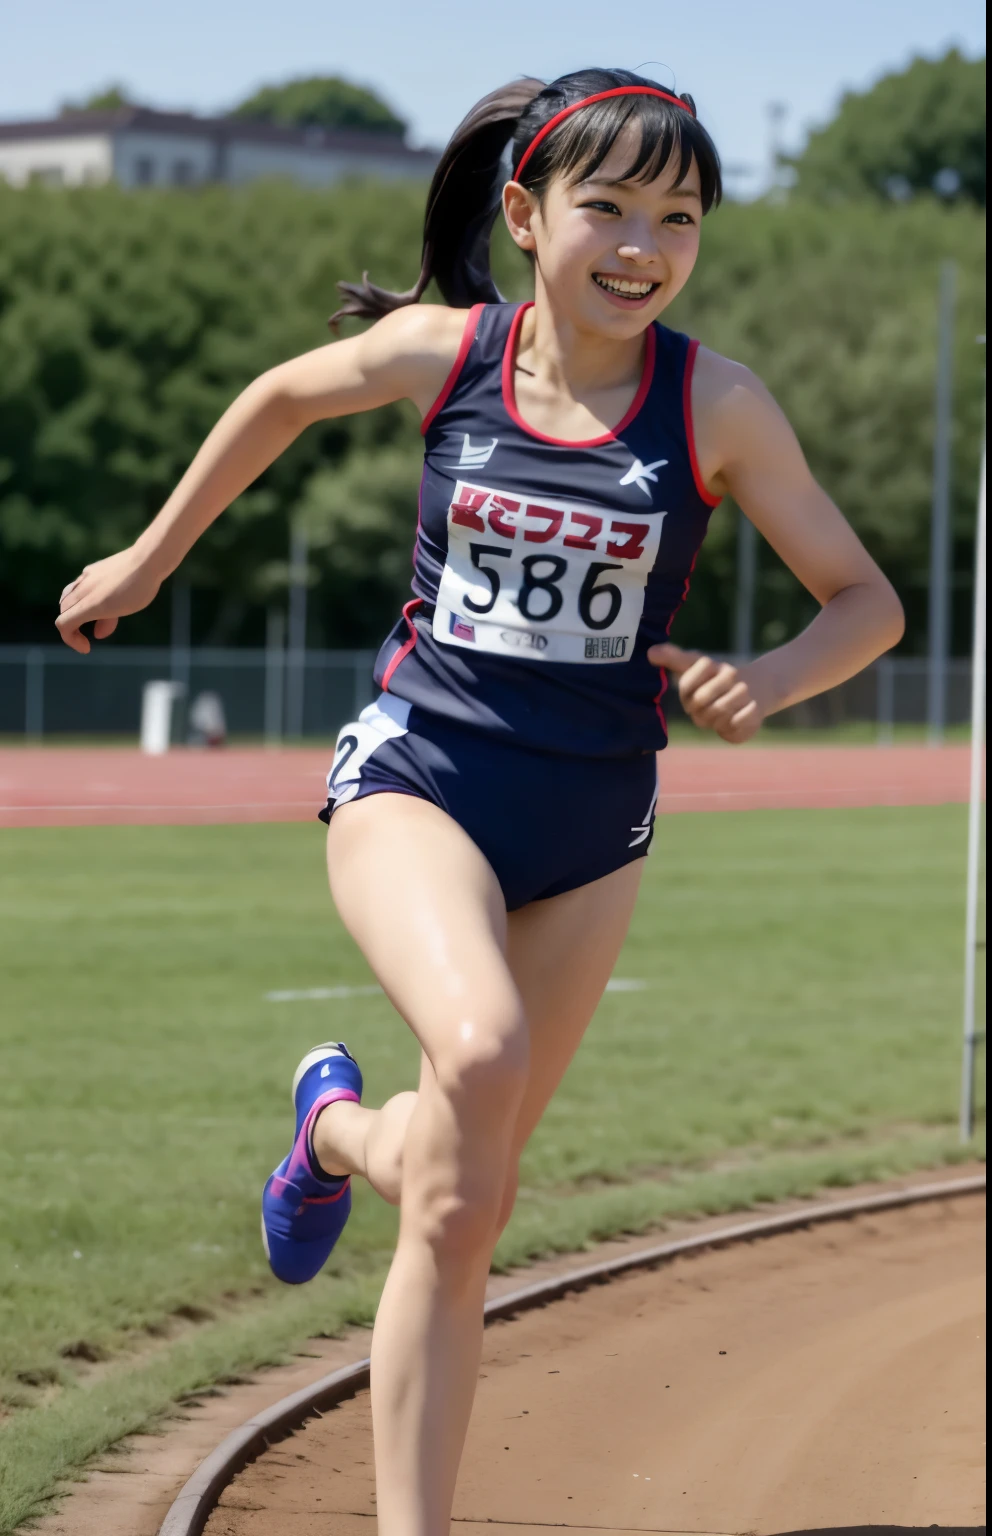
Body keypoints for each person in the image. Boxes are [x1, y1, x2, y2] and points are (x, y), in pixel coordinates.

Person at [56, 66, 904, 1535]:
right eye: (609, 209)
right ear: (525, 214)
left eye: (680, 216)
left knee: (460, 1200)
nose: (643, 246)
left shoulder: (719, 404)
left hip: (595, 827)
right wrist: (144, 562)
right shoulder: (448, 354)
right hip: (420, 779)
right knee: (483, 1045)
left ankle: (332, 1130)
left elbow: (868, 601)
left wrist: (769, 678)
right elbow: (276, 398)